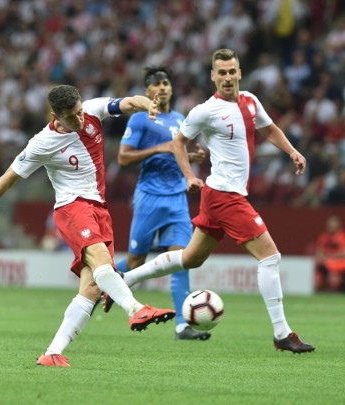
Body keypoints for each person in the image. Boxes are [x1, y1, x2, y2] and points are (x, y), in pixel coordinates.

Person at [0, 84, 175, 368]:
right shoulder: (42, 143)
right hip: (72, 208)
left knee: (91, 288)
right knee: (102, 261)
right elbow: (8, 178)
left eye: (79, 112)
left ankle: (52, 353)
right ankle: (136, 308)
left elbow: (127, 103)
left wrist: (147, 105)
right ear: (55, 116)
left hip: (99, 210)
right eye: (71, 117)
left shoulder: (91, 110)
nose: (79, 120)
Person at [114, 49, 314, 354]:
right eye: (221, 73)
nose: (227, 78)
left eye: (232, 71)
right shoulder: (204, 111)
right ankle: (281, 332)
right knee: (270, 257)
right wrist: (188, 176)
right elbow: (179, 142)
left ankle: (125, 278)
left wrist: (291, 151)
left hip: (219, 197)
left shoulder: (250, 101)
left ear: (239, 72)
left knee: (190, 257)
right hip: (225, 196)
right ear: (213, 76)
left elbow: (269, 128)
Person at [101, 66, 210, 340]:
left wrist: (188, 157)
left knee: (180, 259)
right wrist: (162, 148)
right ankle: (105, 282)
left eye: (166, 83)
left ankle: (183, 325)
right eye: (156, 84)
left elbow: (179, 150)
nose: (162, 88)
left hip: (176, 198)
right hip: (149, 196)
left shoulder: (179, 119)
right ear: (147, 91)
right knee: (136, 259)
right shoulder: (140, 120)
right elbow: (124, 158)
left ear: (171, 89)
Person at [314, 215, 345, 292]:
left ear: (338, 224)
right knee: (317, 277)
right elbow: (319, 252)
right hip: (327, 265)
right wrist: (321, 258)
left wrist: (330, 256)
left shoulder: (342, 236)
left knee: (334, 280)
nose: (332, 225)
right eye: (330, 223)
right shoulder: (323, 237)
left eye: (334, 223)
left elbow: (344, 253)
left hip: (341, 265)